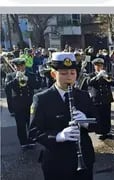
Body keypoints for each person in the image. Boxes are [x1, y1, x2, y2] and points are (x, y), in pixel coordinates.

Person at [29, 52, 97, 180]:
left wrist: (86, 122)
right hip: (56, 161)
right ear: (54, 74)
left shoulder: (83, 96)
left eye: (72, 73)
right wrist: (58, 136)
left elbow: (99, 125)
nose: (69, 77)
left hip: (84, 157)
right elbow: (33, 132)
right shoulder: (42, 99)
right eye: (64, 73)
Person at [5, 58, 39, 149]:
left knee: (31, 123)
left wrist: (28, 80)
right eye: (17, 66)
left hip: (30, 103)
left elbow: (37, 85)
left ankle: (32, 140)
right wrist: (15, 79)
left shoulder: (30, 75)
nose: (20, 68)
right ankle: (23, 142)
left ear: (24, 65)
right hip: (18, 105)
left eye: (21, 65)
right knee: (20, 125)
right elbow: (7, 88)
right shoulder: (10, 76)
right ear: (15, 67)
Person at [87, 58, 114, 140]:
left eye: (100, 65)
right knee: (99, 116)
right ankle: (99, 132)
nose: (99, 67)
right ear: (94, 66)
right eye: (97, 65)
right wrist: (98, 75)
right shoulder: (92, 75)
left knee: (106, 116)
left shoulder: (106, 74)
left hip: (106, 99)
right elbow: (89, 83)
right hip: (97, 98)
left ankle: (107, 131)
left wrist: (107, 76)